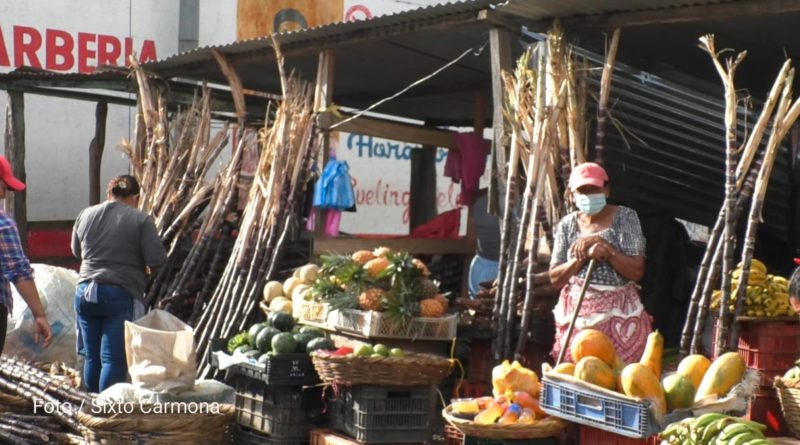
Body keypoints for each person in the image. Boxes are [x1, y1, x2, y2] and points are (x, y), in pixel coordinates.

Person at [548, 162, 651, 364]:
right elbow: (555, 278)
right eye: (582, 191)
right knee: (577, 372)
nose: (588, 195)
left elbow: (637, 271)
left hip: (620, 316)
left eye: (593, 189)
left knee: (618, 374)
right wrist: (583, 256)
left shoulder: (626, 218)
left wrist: (605, 247)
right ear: (572, 194)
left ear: (606, 189)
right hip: (577, 316)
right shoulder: (567, 224)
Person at [72, 175, 166, 392]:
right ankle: (106, 415)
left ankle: (89, 409)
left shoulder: (85, 214)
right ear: (135, 197)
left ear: (109, 194)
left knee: (92, 357)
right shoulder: (141, 220)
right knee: (113, 360)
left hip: (85, 292)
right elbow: (157, 260)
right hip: (120, 294)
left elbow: (76, 251)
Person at [0, 156, 52, 355]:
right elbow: (18, 270)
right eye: (4, 186)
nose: (4, 195)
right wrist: (39, 314)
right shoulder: (3, 223)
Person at [468, 189, 500, 298]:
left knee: (477, 310)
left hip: (479, 265)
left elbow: (471, 237)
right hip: (500, 269)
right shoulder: (517, 202)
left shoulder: (478, 201)